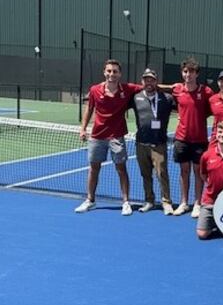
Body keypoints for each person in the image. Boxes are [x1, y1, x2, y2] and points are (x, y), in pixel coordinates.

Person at [75, 59, 142, 215]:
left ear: (120, 74)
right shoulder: (94, 90)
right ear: (104, 72)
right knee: (94, 169)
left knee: (121, 169)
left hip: (117, 137)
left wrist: (174, 87)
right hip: (97, 136)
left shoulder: (127, 89)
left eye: (115, 71)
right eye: (109, 71)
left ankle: (126, 202)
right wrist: (83, 129)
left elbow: (149, 86)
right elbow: (89, 109)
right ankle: (90, 200)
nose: (112, 74)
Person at [129, 68, 177, 215]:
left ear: (156, 82)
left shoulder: (167, 98)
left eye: (152, 80)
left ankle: (166, 202)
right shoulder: (135, 98)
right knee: (145, 174)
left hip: (159, 145)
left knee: (162, 174)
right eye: (146, 79)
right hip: (141, 145)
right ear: (142, 81)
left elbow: (183, 103)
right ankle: (149, 200)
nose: (149, 82)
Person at [171, 57, 214, 217]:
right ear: (183, 73)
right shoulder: (177, 90)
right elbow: (164, 88)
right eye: (185, 71)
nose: (188, 74)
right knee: (184, 171)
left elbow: (217, 102)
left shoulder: (206, 92)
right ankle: (184, 203)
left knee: (198, 172)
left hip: (200, 140)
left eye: (192, 72)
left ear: (197, 74)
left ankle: (197, 203)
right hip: (181, 138)